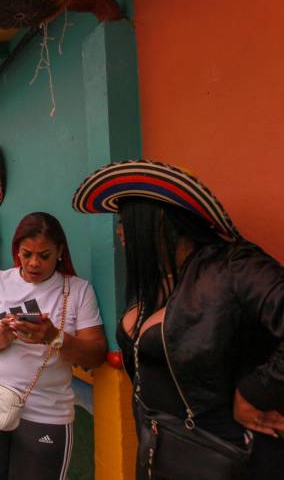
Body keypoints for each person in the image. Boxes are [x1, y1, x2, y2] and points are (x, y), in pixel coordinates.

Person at [72, 160, 284, 480]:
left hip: (222, 456)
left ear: (158, 220)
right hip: (158, 451)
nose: (119, 233)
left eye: (124, 222)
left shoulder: (233, 267)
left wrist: (255, 392)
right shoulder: (158, 279)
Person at [0, 212, 107, 479]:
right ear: (17, 250)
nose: (34, 263)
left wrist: (54, 336)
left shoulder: (77, 291)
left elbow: (95, 353)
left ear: (60, 252)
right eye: (26, 254)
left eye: (45, 255)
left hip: (45, 412)